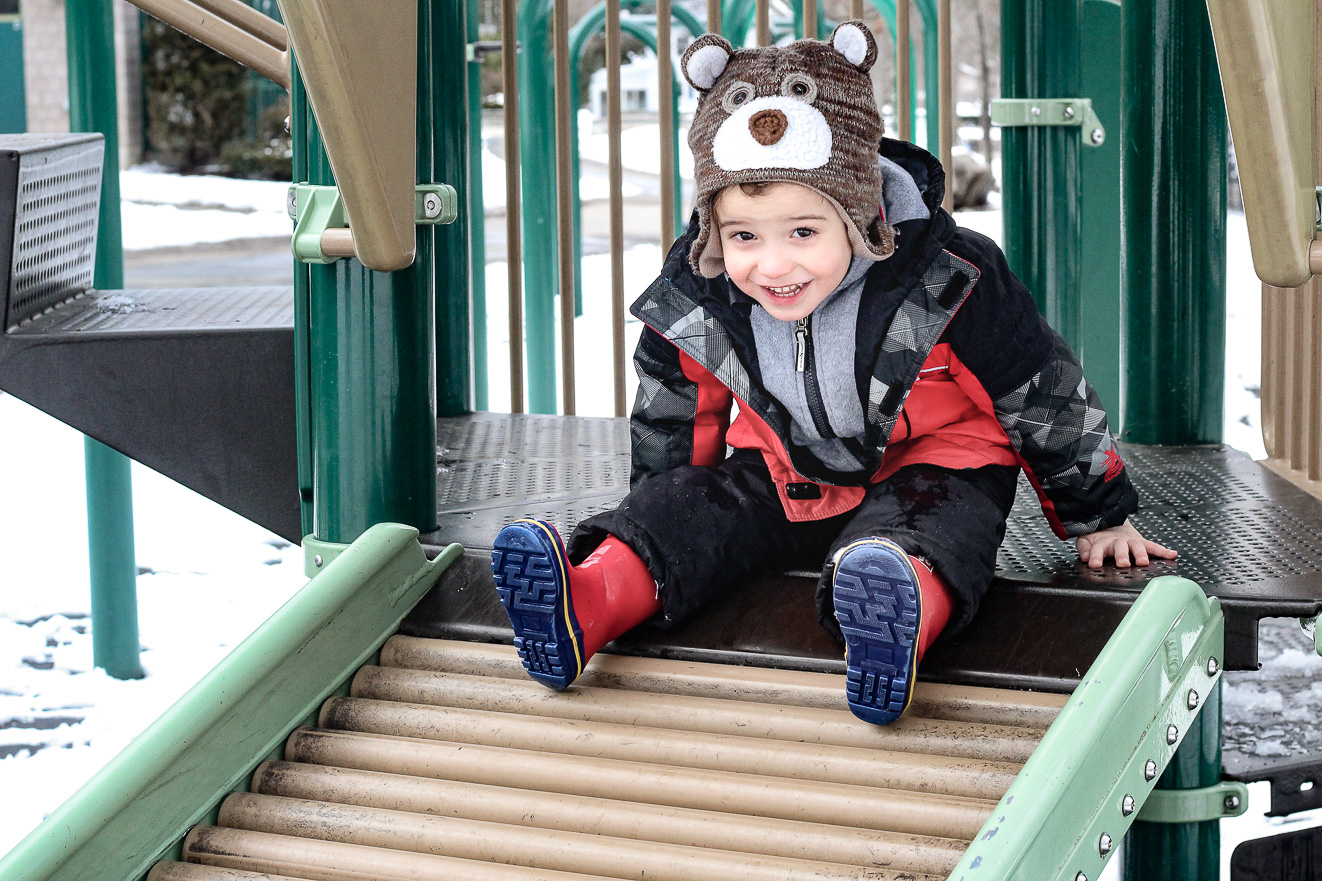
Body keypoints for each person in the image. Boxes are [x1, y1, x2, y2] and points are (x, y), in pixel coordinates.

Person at [490, 21, 1176, 725]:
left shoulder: (947, 277)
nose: (773, 263)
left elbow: (1039, 388)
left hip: (936, 468)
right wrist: (663, 505)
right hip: (786, 470)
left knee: (936, 533)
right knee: (685, 514)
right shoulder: (705, 280)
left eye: (803, 232)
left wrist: (1097, 515)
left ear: (858, 214)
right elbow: (675, 399)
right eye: (744, 236)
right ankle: (588, 598)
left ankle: (895, 611)